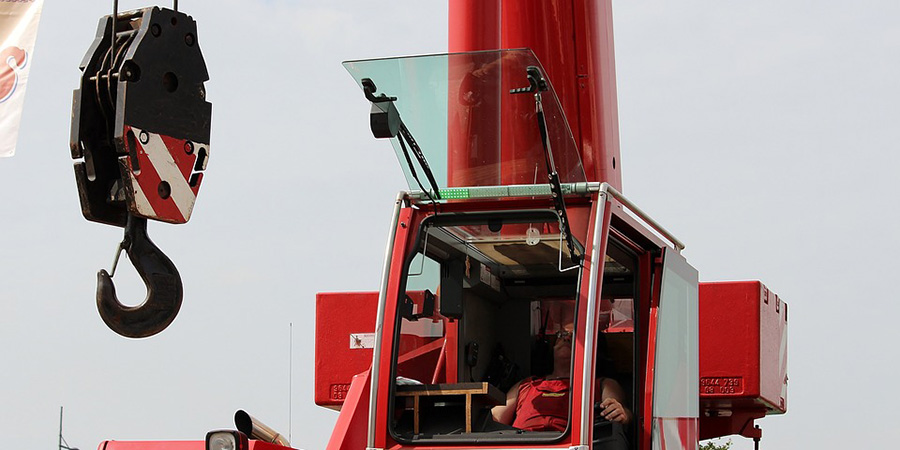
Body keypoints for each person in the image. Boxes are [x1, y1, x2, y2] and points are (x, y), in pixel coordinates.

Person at [491, 324, 632, 432]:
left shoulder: (602, 384)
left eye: (575, 335)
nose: (566, 338)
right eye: (562, 334)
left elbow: (623, 413)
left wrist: (621, 413)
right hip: (524, 444)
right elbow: (494, 419)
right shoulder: (526, 385)